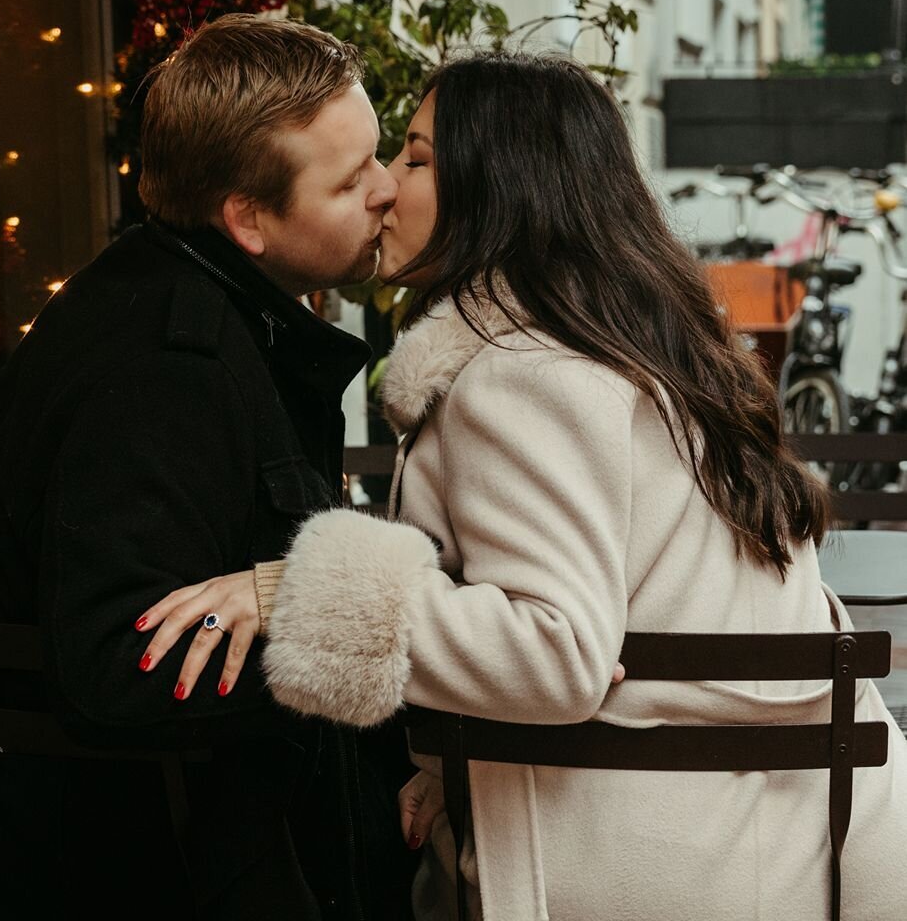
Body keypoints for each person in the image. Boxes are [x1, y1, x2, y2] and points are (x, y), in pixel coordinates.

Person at [138, 49, 907, 921]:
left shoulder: (521, 376)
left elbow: (556, 652)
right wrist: (453, 766)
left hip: (657, 868)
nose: (384, 187)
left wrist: (299, 594)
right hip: (765, 839)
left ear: (499, 188)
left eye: (415, 159)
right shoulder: (623, 347)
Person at [0, 14, 415, 921]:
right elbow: (118, 663)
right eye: (350, 177)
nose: (386, 187)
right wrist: (356, 622)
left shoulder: (190, 297)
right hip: (67, 862)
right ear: (246, 218)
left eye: (379, 154)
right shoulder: (168, 367)